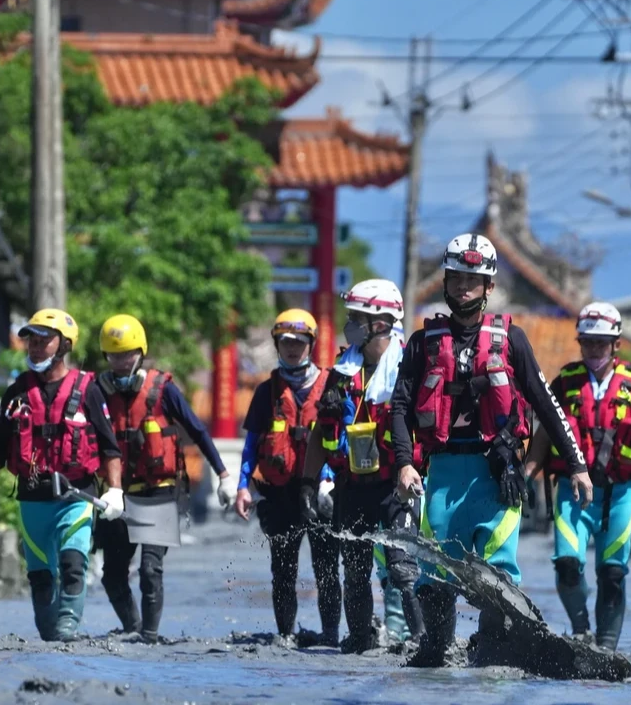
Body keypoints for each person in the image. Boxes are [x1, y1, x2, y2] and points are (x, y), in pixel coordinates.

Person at [389, 233, 592, 668]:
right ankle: (435, 655)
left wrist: (577, 466)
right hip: (442, 476)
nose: (463, 287)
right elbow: (401, 406)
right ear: (445, 281)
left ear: (488, 287)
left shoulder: (511, 340)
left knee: (497, 577)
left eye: (473, 280)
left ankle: (492, 659)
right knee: (434, 575)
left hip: (497, 478)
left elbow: (545, 403)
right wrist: (405, 463)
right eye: (456, 278)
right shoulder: (423, 344)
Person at [522, 301, 631, 652]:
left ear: (616, 344)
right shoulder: (565, 383)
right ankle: (581, 629)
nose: (594, 349)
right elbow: (543, 436)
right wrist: (527, 473)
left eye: (602, 343)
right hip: (573, 493)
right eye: (588, 342)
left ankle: (606, 645)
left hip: (620, 495)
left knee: (612, 574)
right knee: (568, 563)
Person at [0, 308, 125, 642]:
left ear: (64, 346)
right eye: (31, 341)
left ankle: (68, 629)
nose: (35, 347)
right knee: (41, 577)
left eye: (44, 341)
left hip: (76, 497)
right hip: (33, 499)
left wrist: (114, 490)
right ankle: (50, 636)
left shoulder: (88, 390)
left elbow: (109, 447)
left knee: (73, 565)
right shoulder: (17, 392)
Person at [301, 279, 425, 654]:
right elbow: (319, 433)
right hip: (352, 485)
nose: (351, 323)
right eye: (351, 316)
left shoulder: (410, 369)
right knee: (354, 571)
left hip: (395, 484)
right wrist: (308, 483)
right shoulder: (340, 374)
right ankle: (359, 639)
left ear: (384, 322)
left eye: (360, 317)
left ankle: (424, 640)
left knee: (402, 567)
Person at [95, 313, 235, 643]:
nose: (120, 362)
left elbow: (197, 431)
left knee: (149, 569)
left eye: (126, 354)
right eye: (113, 355)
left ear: (140, 353)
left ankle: (150, 635)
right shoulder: (97, 391)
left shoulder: (162, 389)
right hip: (116, 494)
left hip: (159, 490)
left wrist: (223, 474)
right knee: (111, 575)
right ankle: (132, 627)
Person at [233, 309, 342, 647]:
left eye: (299, 342)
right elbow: (252, 443)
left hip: (321, 489)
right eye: (286, 342)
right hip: (279, 493)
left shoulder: (332, 385)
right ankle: (285, 634)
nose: (292, 348)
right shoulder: (266, 392)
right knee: (283, 571)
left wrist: (332, 481)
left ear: (311, 344)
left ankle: (330, 635)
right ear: (277, 344)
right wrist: (242, 486)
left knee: (326, 569)